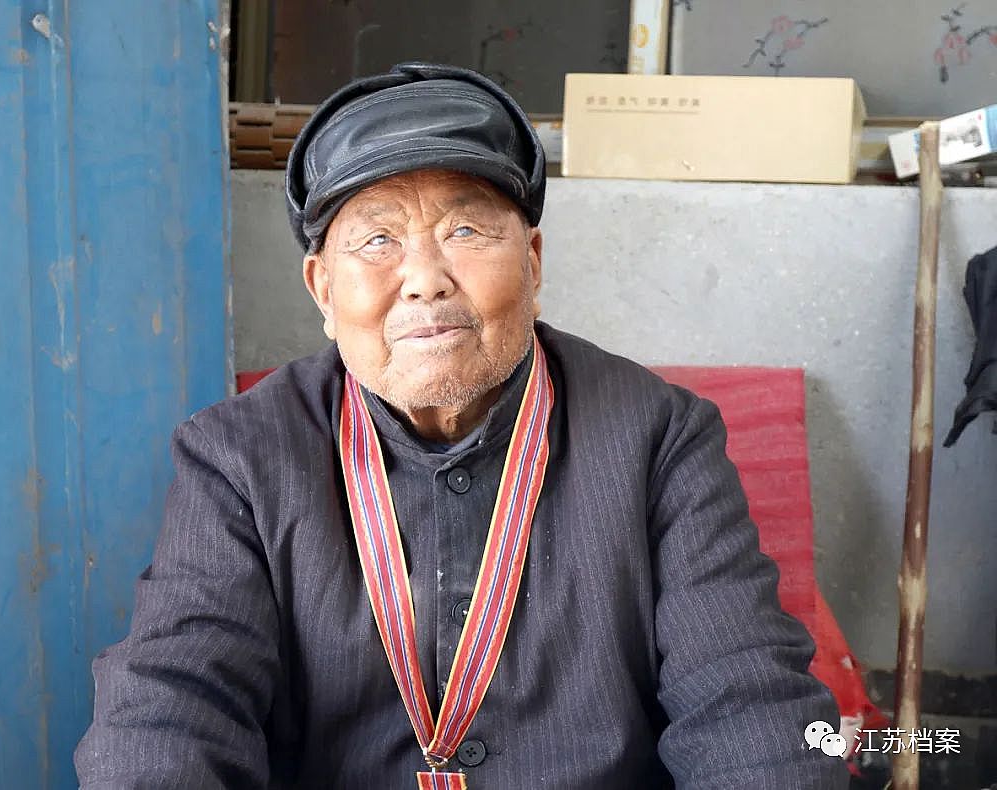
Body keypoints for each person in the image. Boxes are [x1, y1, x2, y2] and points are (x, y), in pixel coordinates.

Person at [76, 62, 847, 789]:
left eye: (466, 233)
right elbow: (174, 698)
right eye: (377, 241)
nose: (424, 280)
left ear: (533, 263)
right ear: (323, 289)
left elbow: (745, 698)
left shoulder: (658, 437)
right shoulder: (240, 455)